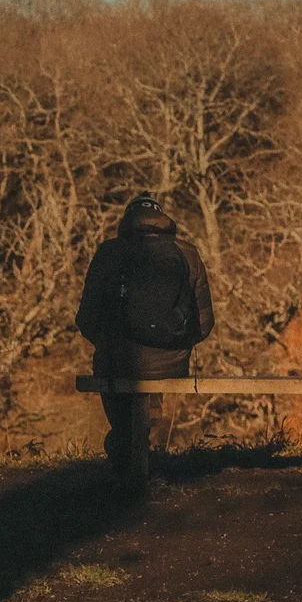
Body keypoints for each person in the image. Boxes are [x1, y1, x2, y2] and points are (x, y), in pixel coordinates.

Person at [75, 195, 214, 478]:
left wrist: (109, 343)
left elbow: (87, 319)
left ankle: (125, 448)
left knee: (119, 386)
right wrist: (174, 344)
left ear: (126, 221)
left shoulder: (108, 253)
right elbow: (204, 322)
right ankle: (136, 444)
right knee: (147, 387)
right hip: (170, 363)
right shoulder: (186, 253)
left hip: (117, 360)